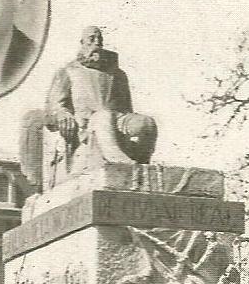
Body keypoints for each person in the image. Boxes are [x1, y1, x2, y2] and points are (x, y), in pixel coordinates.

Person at [19, 26, 157, 191]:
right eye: (92, 39)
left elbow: (127, 107)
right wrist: (62, 114)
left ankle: (142, 164)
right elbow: (54, 105)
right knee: (103, 116)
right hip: (85, 123)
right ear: (82, 42)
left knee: (147, 123)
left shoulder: (118, 74)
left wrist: (131, 122)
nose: (97, 43)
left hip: (119, 119)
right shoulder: (68, 71)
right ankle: (120, 163)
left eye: (100, 39)